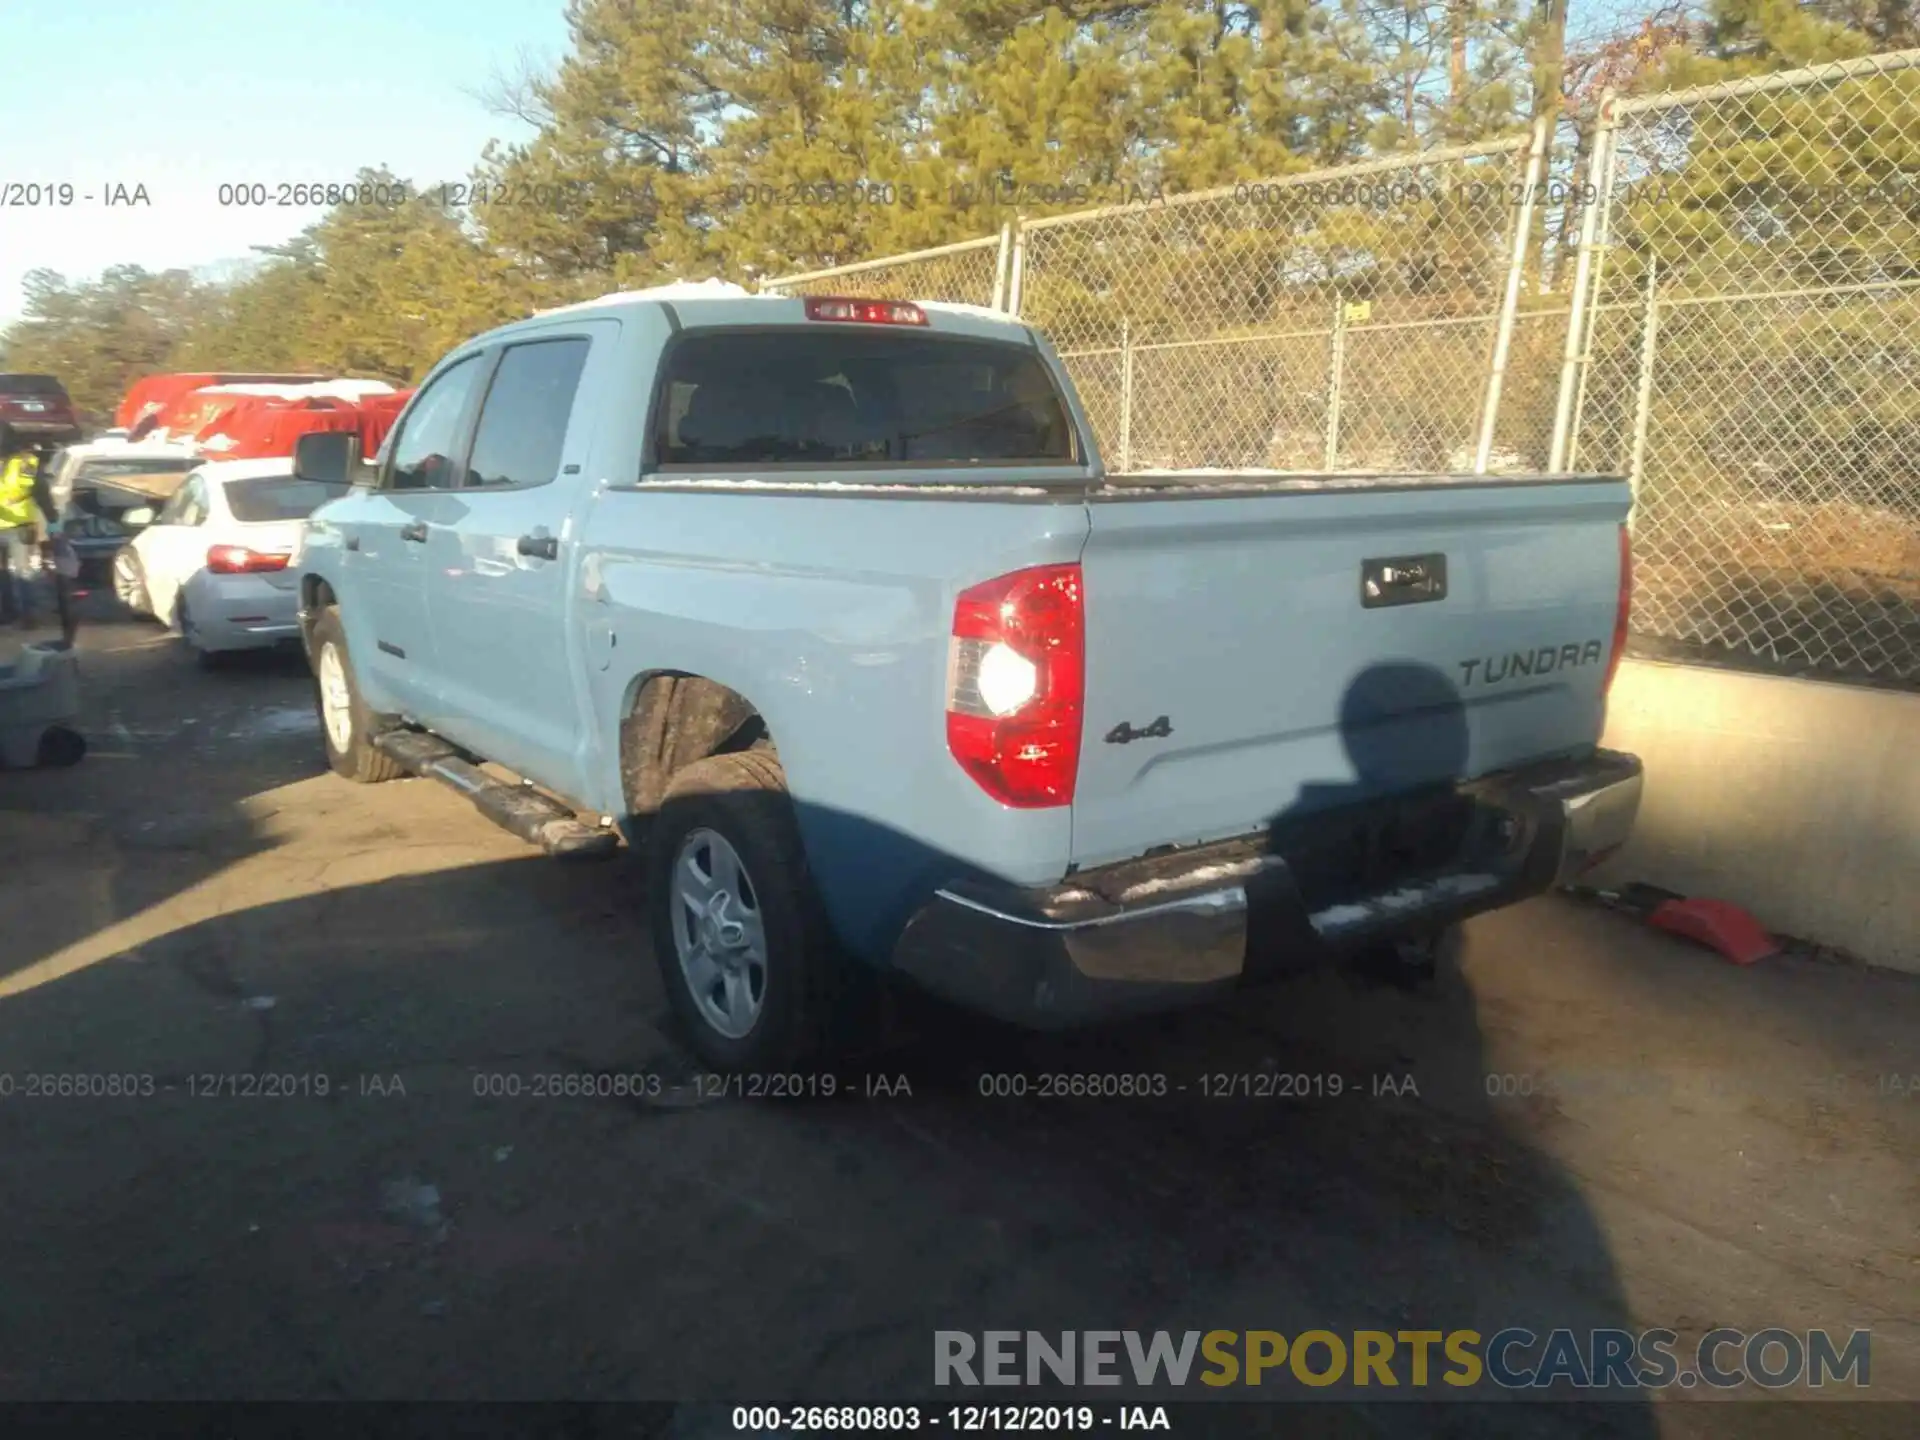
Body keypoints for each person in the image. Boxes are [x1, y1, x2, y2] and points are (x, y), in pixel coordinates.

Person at [0, 422, 47, 627]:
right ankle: (9, 614)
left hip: (18, 525)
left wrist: (51, 519)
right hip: (16, 523)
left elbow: (31, 490)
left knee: (22, 573)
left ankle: (27, 616)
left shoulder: (25, 462)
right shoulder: (25, 462)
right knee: (13, 573)